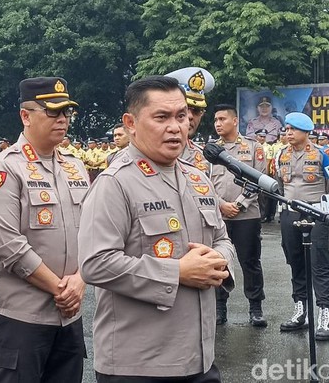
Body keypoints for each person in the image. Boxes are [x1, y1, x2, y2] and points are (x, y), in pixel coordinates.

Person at [78, 76, 234, 382]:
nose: (176, 127)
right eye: (161, 117)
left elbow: (222, 239)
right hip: (139, 365)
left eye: (181, 117)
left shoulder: (198, 179)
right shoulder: (115, 183)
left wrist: (219, 260)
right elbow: (95, 264)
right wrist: (177, 271)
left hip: (200, 359)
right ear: (131, 123)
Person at [0, 77, 89, 383]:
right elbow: (9, 247)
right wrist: (60, 288)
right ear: (25, 116)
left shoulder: (75, 166)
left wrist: (80, 280)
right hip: (21, 314)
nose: (63, 119)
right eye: (53, 112)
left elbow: (93, 233)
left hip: (70, 313)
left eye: (67, 112)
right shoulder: (5, 169)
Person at [274, 112, 329, 341]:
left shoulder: (324, 154)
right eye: (287, 129)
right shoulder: (281, 154)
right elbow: (281, 186)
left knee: (319, 264)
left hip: (317, 212)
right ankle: (300, 311)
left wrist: (327, 213)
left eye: (293, 129)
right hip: (290, 212)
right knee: (295, 262)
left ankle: (324, 315)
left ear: (306, 131)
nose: (288, 133)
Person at [211, 104, 268, 327]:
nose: (218, 124)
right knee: (217, 262)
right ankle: (219, 308)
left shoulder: (253, 148)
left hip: (247, 215)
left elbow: (259, 180)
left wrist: (239, 204)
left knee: (250, 262)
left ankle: (255, 308)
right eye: (215, 120)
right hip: (218, 216)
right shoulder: (209, 151)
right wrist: (221, 205)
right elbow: (202, 184)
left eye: (222, 119)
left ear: (235, 121)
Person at [166, 67, 215, 176]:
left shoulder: (203, 156)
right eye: (184, 109)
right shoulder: (144, 153)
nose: (189, 116)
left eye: (197, 111)